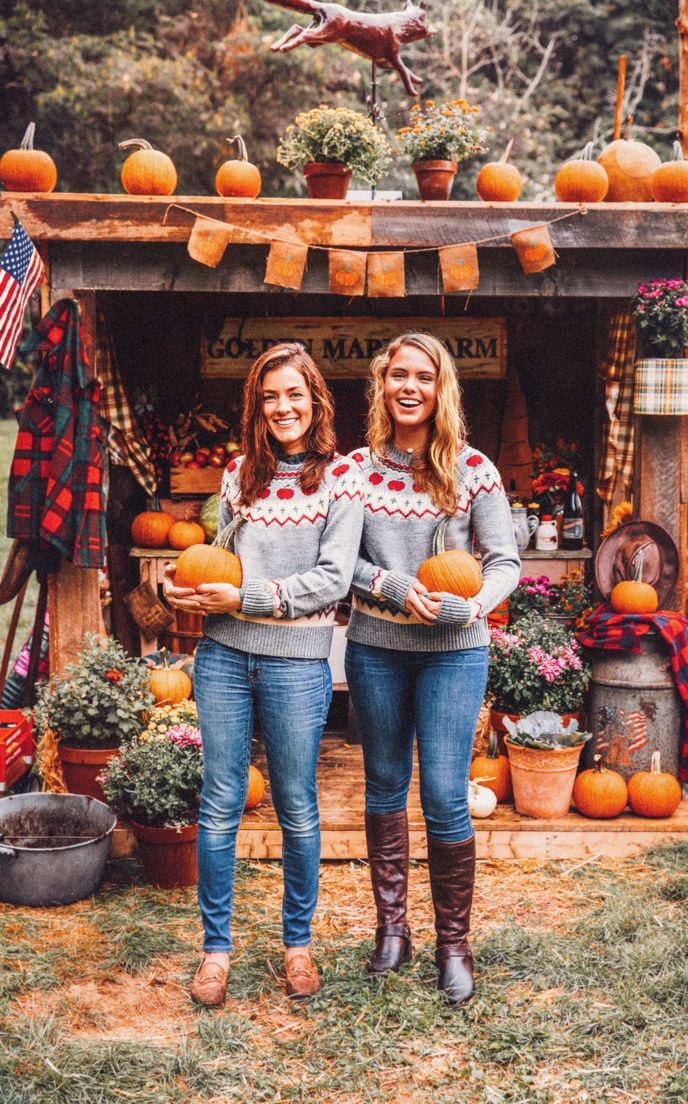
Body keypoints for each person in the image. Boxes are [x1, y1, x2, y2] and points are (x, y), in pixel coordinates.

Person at [163, 343, 363, 1006]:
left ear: (315, 401)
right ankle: (215, 952)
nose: (283, 407)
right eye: (270, 396)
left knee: (296, 806)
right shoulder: (237, 474)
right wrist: (178, 589)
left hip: (297, 660)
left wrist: (243, 598)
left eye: (295, 394)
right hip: (222, 655)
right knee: (220, 804)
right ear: (257, 405)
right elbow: (217, 562)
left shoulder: (340, 479)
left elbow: (333, 580)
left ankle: (297, 946)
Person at [344, 332, 520, 1005]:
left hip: (454, 652)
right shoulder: (353, 471)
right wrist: (391, 586)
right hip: (378, 646)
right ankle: (393, 929)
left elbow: (503, 560)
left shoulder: (474, 470)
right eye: (397, 375)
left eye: (422, 375)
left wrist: (473, 604)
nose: (409, 386)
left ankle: (454, 944)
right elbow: (341, 563)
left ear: (440, 386)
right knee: (385, 786)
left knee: (446, 793)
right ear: (382, 385)